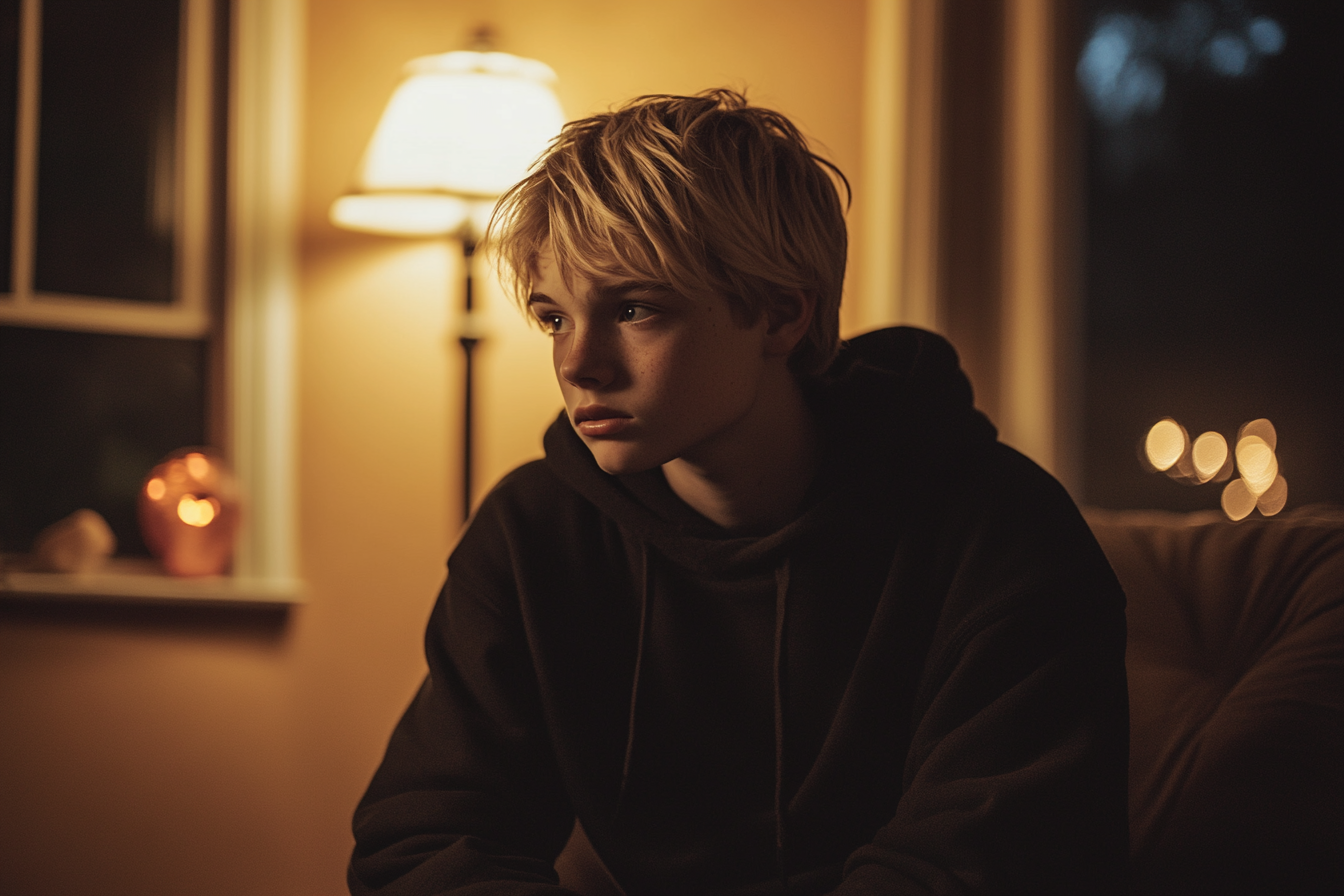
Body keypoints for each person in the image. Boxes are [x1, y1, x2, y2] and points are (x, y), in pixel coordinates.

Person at [348, 89, 1128, 896]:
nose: (578, 365)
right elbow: (423, 842)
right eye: (553, 319)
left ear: (781, 315)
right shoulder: (535, 530)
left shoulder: (1001, 530)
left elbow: (984, 866)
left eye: (635, 308)